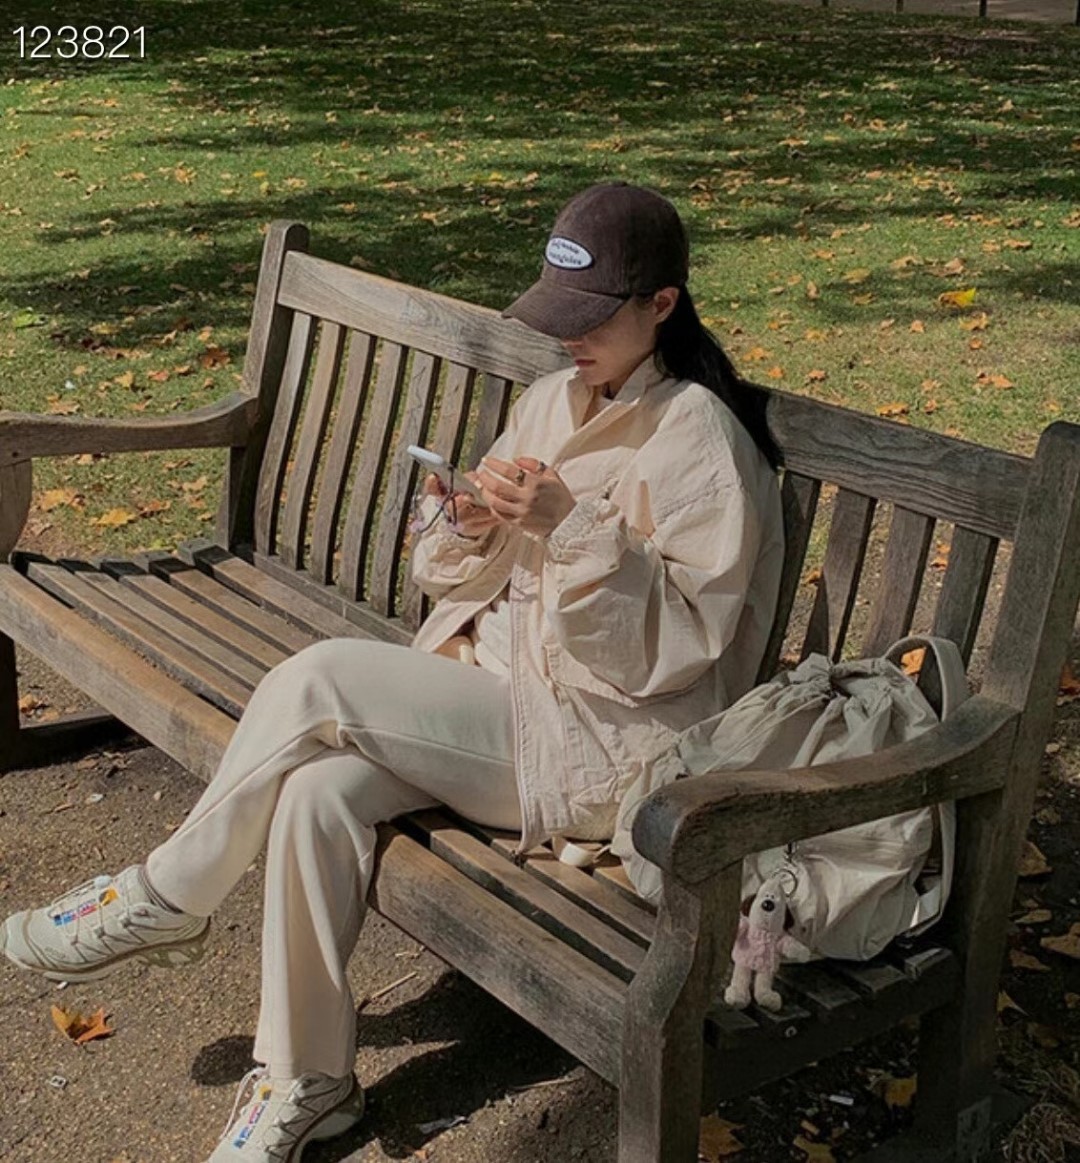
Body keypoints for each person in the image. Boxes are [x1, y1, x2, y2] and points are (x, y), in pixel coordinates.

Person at [0, 181, 785, 1161]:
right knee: (317, 794)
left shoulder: (702, 439)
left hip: (600, 738)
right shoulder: (554, 398)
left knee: (320, 680)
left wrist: (572, 527)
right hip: (491, 693)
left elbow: (674, 653)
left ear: (662, 303)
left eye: (590, 317)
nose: (568, 338)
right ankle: (308, 1079)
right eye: (558, 313)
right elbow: (444, 573)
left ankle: (165, 894)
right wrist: (465, 519)